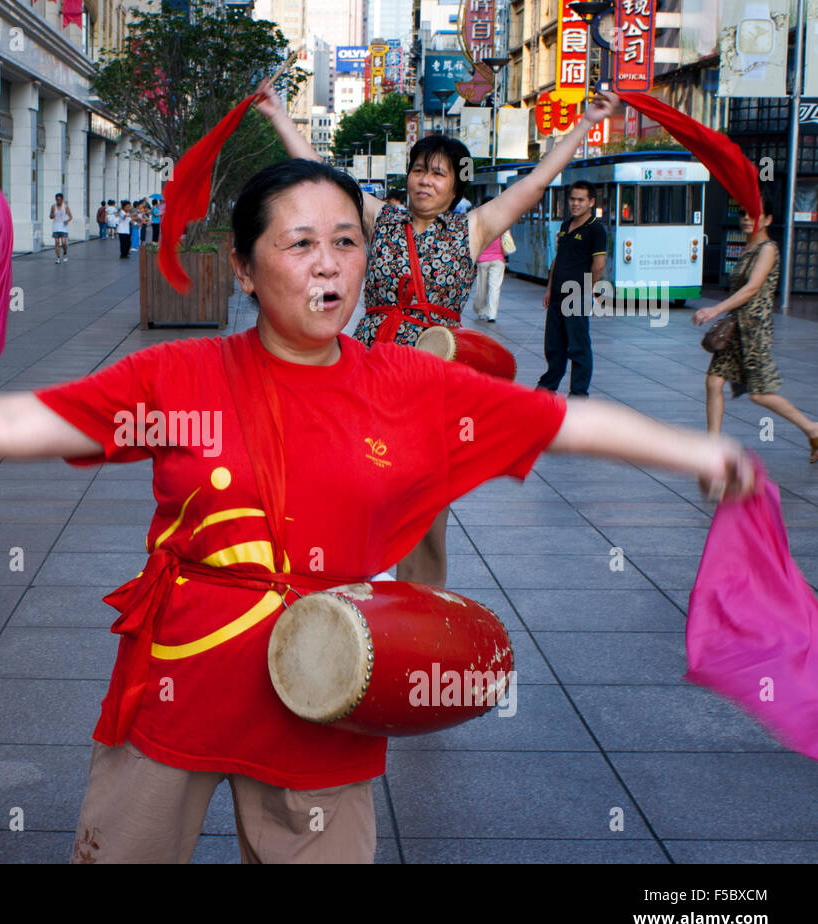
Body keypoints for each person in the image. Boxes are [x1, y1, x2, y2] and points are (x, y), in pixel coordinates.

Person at [0, 158, 753, 864]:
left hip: (329, 678)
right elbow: (29, 420)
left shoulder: (408, 383)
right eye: (298, 243)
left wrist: (693, 447)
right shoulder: (179, 373)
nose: (328, 264)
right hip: (181, 673)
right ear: (244, 270)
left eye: (345, 242)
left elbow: (556, 424)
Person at [257, 79, 622, 589]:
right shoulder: (379, 216)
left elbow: (536, 181)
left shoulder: (472, 228)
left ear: (456, 186)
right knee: (350, 485)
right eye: (419, 170)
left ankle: (417, 617)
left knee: (427, 513)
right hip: (368, 370)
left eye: (438, 173)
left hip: (434, 385)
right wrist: (278, 116)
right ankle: (336, 600)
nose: (424, 181)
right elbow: (321, 175)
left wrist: (585, 122)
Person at [693, 196, 818, 462]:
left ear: (769, 220)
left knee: (761, 395)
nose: (747, 219)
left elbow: (751, 288)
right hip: (735, 329)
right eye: (744, 213)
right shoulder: (749, 248)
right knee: (713, 381)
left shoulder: (767, 249)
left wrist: (714, 310)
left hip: (753, 331)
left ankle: (813, 428)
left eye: (755, 214)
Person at [538, 181, 606, 398]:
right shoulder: (566, 225)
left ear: (591, 202)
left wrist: (590, 291)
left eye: (580, 200)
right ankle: (547, 387)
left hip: (577, 295)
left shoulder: (596, 229)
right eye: (572, 199)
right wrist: (549, 288)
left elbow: (599, 265)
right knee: (554, 346)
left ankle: (578, 393)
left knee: (578, 347)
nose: (575, 204)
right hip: (557, 295)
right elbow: (558, 258)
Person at [472, 229, 508, 323]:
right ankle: (492, 315)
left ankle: (481, 311)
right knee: (495, 288)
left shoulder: (482, 226)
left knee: (482, 287)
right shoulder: (501, 224)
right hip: (498, 260)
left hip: (483, 260)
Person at [49, 192, 72, 262]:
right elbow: (50, 216)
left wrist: (67, 220)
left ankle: (65, 253)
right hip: (56, 227)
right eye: (57, 200)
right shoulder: (53, 206)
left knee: (64, 243)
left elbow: (71, 216)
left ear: (62, 200)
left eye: (59, 200)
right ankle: (58, 258)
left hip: (64, 227)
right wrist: (52, 215)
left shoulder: (65, 206)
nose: (58, 201)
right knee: (56, 243)